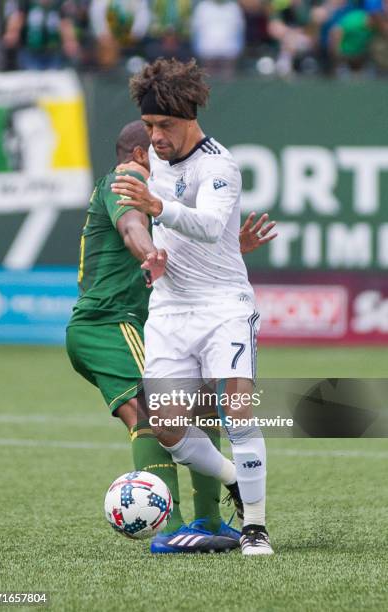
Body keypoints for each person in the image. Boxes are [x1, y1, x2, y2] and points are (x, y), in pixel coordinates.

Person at [67, 119, 277, 554]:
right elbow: (133, 229)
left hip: (137, 320)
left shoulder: (166, 186)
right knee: (152, 413)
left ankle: (211, 519)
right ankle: (172, 525)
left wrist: (229, 248)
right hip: (113, 321)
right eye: (157, 146)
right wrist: (150, 253)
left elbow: (185, 243)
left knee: (196, 409)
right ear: (140, 154)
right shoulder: (124, 179)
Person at [112, 58, 275, 555]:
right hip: (169, 310)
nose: (155, 136)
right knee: (165, 425)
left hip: (223, 305)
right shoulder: (151, 161)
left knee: (237, 408)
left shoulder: (219, 164)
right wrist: (152, 257)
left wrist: (157, 206)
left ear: (188, 116)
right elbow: (152, 227)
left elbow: (206, 226)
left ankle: (255, 528)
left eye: (164, 125)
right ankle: (232, 478)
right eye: (150, 126)